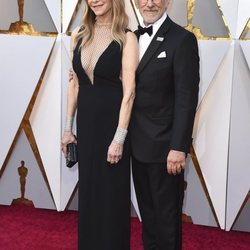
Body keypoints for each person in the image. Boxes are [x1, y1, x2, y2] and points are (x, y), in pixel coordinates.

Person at [61, 0, 138, 249]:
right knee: (90, 196)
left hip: (112, 128)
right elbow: (74, 85)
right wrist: (67, 129)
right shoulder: (79, 35)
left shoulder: (127, 38)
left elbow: (130, 93)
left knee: (112, 197)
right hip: (87, 127)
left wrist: (119, 137)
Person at [129, 0, 200, 249]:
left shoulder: (182, 40)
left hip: (166, 150)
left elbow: (186, 99)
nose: (150, 3)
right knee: (147, 218)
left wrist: (179, 147)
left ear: (167, 1)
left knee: (167, 220)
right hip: (136, 146)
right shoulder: (130, 38)